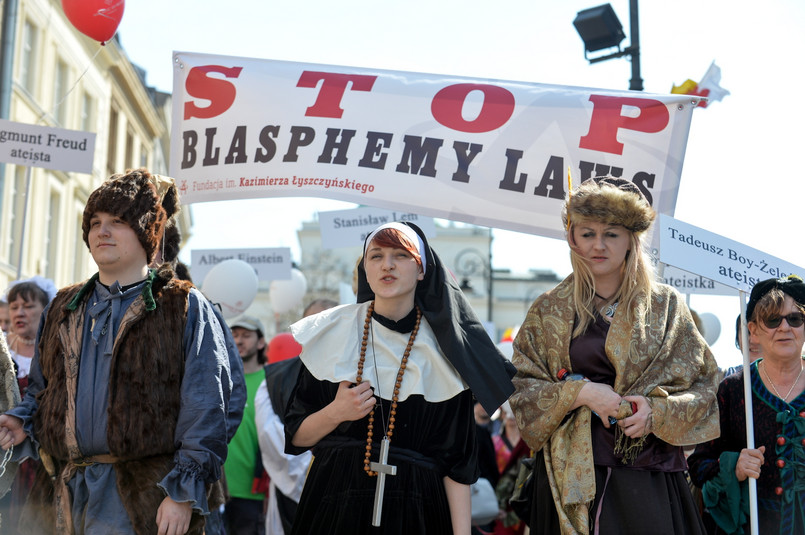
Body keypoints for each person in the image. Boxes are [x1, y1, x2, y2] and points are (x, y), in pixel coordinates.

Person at [0, 168, 234, 534]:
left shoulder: (183, 304)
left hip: (143, 497)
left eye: (118, 221)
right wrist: (21, 422)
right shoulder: (62, 306)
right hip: (62, 494)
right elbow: (42, 392)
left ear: (146, 231)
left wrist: (182, 494)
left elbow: (207, 407)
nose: (101, 231)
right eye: (95, 222)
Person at [510, 177, 720, 534]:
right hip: (567, 480)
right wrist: (581, 393)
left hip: (648, 477)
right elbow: (522, 389)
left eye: (611, 233)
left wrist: (656, 413)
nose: (598, 245)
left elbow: (705, 385)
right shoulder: (547, 309)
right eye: (587, 233)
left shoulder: (666, 305)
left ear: (631, 240)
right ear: (571, 237)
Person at [284, 221, 516, 534]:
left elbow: (457, 466)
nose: (387, 265)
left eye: (401, 255)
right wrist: (336, 413)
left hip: (418, 512)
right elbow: (297, 435)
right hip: (335, 507)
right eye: (376, 256)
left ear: (422, 270)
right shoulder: (331, 333)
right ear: (365, 268)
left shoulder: (446, 351)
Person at [688, 275, 805, 534]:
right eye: (773, 320)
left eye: (795, 319)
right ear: (752, 330)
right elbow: (698, 465)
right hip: (753, 525)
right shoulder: (732, 389)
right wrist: (733, 466)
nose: (785, 327)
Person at [0, 277, 55, 534]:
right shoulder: (3, 352)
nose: (19, 312)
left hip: (40, 458)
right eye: (14, 306)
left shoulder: (53, 352)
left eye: (28, 306)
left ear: (45, 308)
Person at [223, 314, 268, 535]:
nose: (239, 340)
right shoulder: (219, 379)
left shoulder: (270, 382)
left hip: (253, 491)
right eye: (235, 335)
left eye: (246, 335)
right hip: (216, 487)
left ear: (261, 342)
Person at [491, 402, 529, 535]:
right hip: (501, 497)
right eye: (508, 413)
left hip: (522, 496)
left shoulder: (528, 443)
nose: (511, 418)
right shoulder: (495, 442)